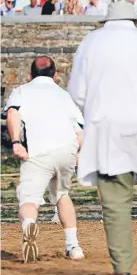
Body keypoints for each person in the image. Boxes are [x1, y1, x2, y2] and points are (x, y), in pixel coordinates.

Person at [67, 2, 137, 275]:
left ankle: (121, 265)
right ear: (133, 19)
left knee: (115, 197)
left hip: (106, 125)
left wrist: (98, 108)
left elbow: (77, 92)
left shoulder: (90, 43)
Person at [2, 56, 85, 263]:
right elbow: (80, 130)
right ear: (55, 75)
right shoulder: (64, 95)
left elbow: (13, 114)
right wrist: (77, 153)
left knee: (29, 199)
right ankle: (73, 247)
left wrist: (16, 142)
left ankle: (29, 224)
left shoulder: (21, 91)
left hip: (38, 152)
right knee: (61, 195)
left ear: (30, 75)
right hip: (66, 151)